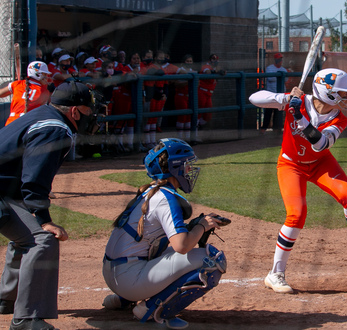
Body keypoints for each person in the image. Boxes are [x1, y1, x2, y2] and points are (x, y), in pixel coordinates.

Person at [248, 68, 347, 294]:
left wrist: (300, 118)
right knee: (296, 214)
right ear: (327, 92)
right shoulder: (297, 101)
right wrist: (285, 99)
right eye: (341, 92)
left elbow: (320, 144)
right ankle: (275, 274)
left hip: (320, 162)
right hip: (291, 164)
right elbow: (254, 98)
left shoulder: (339, 118)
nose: (346, 97)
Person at [0, 81, 103, 330]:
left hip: (5, 193)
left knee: (25, 233)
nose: (93, 115)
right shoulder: (56, 129)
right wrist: (43, 218)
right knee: (41, 238)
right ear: (74, 112)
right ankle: (26, 320)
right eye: (88, 109)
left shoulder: (40, 114)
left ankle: (7, 300)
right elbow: (35, 178)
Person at [101, 138, 227, 329]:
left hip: (117, 272)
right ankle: (152, 311)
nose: (190, 170)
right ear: (175, 167)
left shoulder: (150, 192)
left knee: (160, 248)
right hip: (129, 278)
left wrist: (194, 226)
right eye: (187, 164)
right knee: (213, 260)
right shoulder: (166, 198)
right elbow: (181, 246)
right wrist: (202, 226)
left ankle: (123, 300)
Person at [0, 61, 52, 126]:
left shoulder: (17, 84)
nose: (47, 77)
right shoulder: (44, 92)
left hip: (11, 124)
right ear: (37, 74)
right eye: (45, 74)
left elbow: (1, 93)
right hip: (27, 125)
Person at [260, 53, 288, 134]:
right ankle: (263, 129)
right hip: (271, 95)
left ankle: (276, 130)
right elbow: (270, 78)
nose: (280, 61)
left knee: (278, 113)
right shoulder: (270, 68)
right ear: (275, 60)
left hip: (280, 95)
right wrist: (278, 76)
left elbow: (286, 80)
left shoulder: (283, 69)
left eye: (281, 59)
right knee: (268, 113)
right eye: (278, 59)